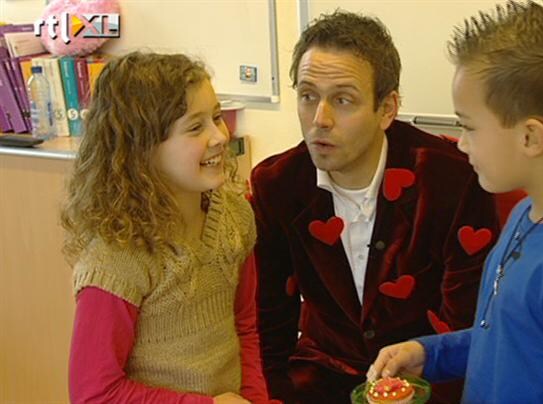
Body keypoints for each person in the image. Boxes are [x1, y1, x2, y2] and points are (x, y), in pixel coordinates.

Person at [368, 1, 543, 403]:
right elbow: (504, 340)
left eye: (469, 127)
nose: (461, 144)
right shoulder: (526, 214)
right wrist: (430, 353)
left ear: (530, 137)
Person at [250, 11, 499, 404]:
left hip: (424, 381)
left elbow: (469, 323)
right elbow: (271, 321)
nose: (320, 120)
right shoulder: (277, 184)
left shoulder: (450, 178)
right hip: (323, 379)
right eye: (308, 95)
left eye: (343, 100)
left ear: (387, 109)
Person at [61, 52, 269, 404]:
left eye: (217, 117)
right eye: (195, 127)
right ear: (141, 149)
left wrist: (254, 398)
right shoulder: (115, 259)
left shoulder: (235, 217)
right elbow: (94, 393)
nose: (220, 136)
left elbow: (245, 326)